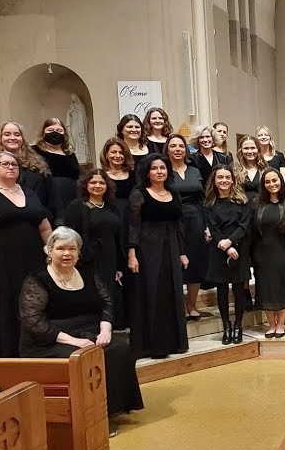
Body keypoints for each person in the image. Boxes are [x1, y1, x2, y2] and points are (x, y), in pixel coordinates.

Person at [18, 227, 143, 423]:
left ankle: (112, 409)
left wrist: (105, 329)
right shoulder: (37, 279)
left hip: (88, 332)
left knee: (120, 349)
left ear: (78, 252)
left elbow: (107, 303)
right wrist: (73, 341)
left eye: (72, 249)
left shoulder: (88, 273)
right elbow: (33, 320)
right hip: (49, 340)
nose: (67, 253)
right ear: (49, 251)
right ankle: (91, 417)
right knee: (85, 358)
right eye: (60, 248)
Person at [0, 152, 55, 357]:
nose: (11, 167)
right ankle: (6, 356)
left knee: (33, 306)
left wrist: (52, 254)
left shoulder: (30, 193)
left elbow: (44, 228)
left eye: (14, 164)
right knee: (5, 308)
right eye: (5, 164)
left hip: (33, 261)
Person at [127, 154, 189, 359]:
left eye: (162, 168)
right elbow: (133, 225)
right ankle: (151, 345)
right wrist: (132, 253)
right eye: (154, 168)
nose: (159, 171)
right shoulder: (139, 193)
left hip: (171, 246)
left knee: (172, 292)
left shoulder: (173, 192)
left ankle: (173, 342)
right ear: (147, 172)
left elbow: (180, 224)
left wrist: (182, 252)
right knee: (151, 293)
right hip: (148, 248)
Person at [62, 170, 127, 328]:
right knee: (91, 294)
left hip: (109, 258)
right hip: (86, 260)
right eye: (93, 182)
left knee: (108, 294)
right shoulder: (76, 206)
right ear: (86, 185)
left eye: (101, 183)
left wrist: (119, 266)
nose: (97, 186)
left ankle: (107, 328)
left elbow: (118, 237)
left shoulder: (112, 207)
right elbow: (69, 235)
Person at [203, 165, 251, 345]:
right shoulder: (209, 203)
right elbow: (213, 228)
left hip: (239, 248)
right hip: (219, 249)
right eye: (220, 177)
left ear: (232, 180)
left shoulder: (242, 201)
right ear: (214, 181)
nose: (224, 180)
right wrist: (225, 245)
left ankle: (238, 325)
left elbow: (244, 225)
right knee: (222, 291)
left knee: (239, 290)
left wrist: (230, 242)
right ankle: (226, 326)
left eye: (227, 177)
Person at [165, 134, 208, 321]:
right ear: (167, 149)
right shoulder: (164, 171)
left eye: (181, 146)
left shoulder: (194, 171)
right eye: (173, 146)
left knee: (196, 262)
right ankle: (179, 305)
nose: (177, 149)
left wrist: (207, 225)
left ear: (186, 150)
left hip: (196, 218)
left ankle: (192, 304)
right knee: (176, 261)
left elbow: (202, 199)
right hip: (173, 219)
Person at [250, 169, 285, 338]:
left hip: (282, 251)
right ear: (263, 185)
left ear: (280, 181)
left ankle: (280, 325)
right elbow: (252, 232)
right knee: (265, 288)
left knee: (280, 287)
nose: (272, 184)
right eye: (267, 182)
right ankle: (271, 325)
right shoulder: (256, 203)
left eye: (274, 180)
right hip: (261, 253)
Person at [33, 117, 81, 221]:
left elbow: (76, 175)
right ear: (43, 133)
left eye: (59, 130)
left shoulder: (70, 153)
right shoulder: (35, 151)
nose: (55, 133)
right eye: (50, 130)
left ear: (64, 134)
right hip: (48, 197)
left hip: (71, 197)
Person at [100, 137, 136, 206]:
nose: (118, 156)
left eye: (121, 152)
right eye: (113, 152)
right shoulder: (101, 176)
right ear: (106, 155)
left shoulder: (134, 175)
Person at [233, 135, 268, 203]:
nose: (249, 151)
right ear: (241, 150)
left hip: (262, 206)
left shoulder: (265, 168)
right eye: (246, 148)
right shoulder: (234, 169)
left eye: (253, 148)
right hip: (240, 206)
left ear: (258, 149)